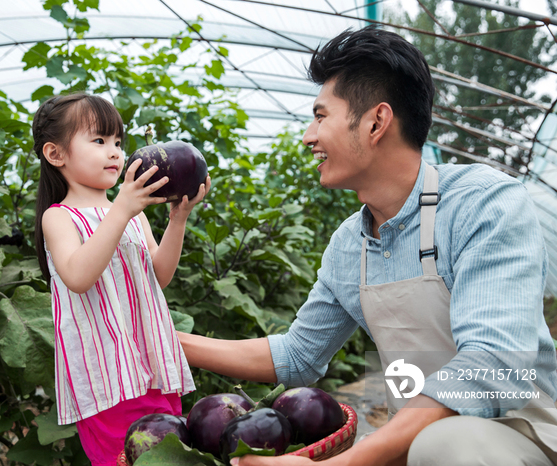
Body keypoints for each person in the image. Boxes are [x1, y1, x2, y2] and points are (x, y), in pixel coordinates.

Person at [178, 26, 557, 465]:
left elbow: (491, 362)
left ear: (376, 122)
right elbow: (298, 355)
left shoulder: (482, 203)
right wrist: (167, 340)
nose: (308, 136)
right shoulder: (348, 245)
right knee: (430, 444)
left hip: (521, 433)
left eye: (321, 116)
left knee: (446, 443)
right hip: (412, 443)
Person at [32, 93, 209, 466]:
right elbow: (78, 276)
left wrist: (178, 218)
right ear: (56, 154)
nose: (115, 152)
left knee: (168, 456)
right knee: (124, 458)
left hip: (152, 363)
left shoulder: (133, 213)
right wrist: (124, 208)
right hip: (105, 375)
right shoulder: (59, 217)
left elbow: (158, 277)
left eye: (117, 142)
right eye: (99, 141)